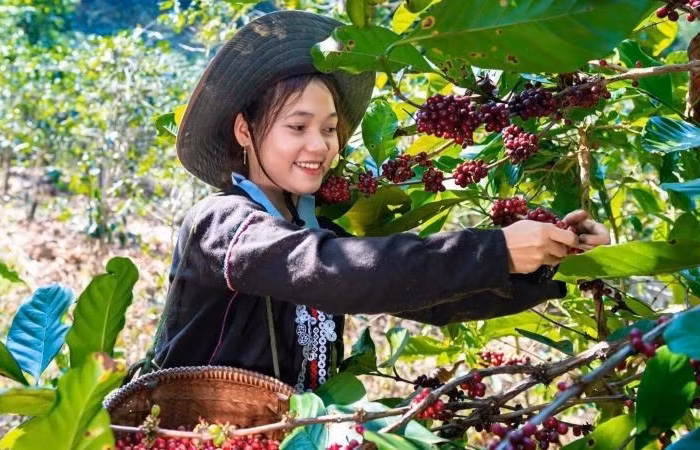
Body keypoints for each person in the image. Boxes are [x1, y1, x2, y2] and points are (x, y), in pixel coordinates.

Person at [152, 10, 610, 393]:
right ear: (244, 131)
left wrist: (547, 256)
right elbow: (331, 270)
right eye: (298, 127)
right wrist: (495, 248)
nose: (320, 146)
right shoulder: (221, 223)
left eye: (329, 129)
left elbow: (430, 300)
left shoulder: (316, 232)